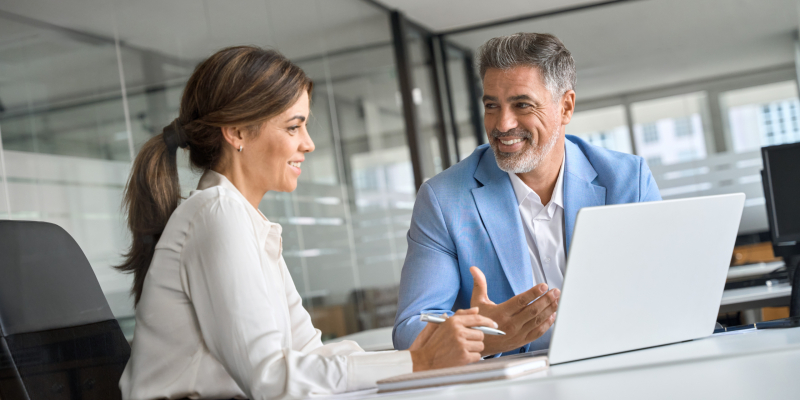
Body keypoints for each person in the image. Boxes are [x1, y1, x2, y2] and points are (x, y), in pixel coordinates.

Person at [117, 46, 496, 400]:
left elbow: (308, 353)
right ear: (236, 132)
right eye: (293, 127)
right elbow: (271, 377)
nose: (309, 144)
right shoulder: (217, 215)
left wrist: (426, 350)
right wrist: (419, 361)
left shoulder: (244, 220)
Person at [393, 33, 662, 357]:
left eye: (522, 105)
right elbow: (410, 329)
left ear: (566, 107)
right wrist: (487, 336)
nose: (503, 124)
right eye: (491, 106)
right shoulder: (444, 200)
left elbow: (666, 291)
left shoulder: (628, 181)